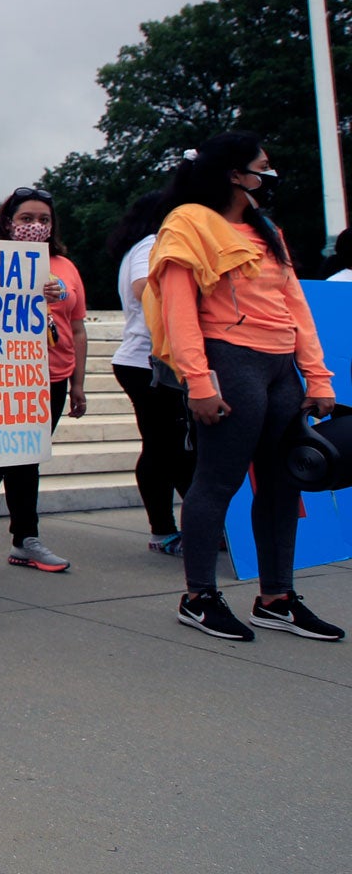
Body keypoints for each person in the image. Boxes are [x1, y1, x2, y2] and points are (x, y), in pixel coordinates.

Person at [147, 132, 344, 643]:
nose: (269, 173)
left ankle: (276, 598)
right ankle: (198, 596)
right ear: (235, 173)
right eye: (262, 165)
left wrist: (317, 376)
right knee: (217, 481)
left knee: (283, 484)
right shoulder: (189, 221)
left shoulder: (266, 228)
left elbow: (295, 303)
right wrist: (197, 381)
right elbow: (177, 306)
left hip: (282, 368)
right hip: (230, 361)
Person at [0, 188, 83, 575]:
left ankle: (26, 539)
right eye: (26, 219)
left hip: (51, 377)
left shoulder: (65, 265)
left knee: (28, 458)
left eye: (44, 220)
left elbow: (77, 325)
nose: (35, 226)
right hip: (3, 373)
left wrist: (77, 383)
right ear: (7, 221)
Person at [108, 190, 194, 554]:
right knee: (165, 448)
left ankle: (182, 526)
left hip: (154, 362)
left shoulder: (149, 244)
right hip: (146, 362)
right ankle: (164, 529)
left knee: (167, 446)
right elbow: (144, 288)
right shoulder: (151, 244)